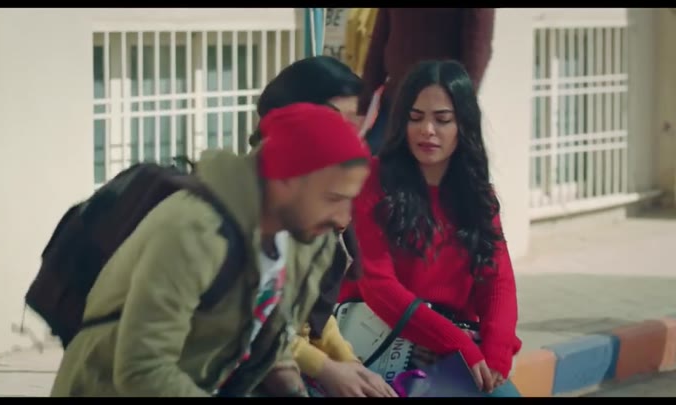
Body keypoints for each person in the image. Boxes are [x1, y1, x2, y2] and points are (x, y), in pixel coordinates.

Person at [50, 103, 372, 397]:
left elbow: (269, 332)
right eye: (332, 199)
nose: (342, 218)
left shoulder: (303, 238)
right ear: (287, 180)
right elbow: (143, 369)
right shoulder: (194, 231)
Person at [337, 60, 522, 397]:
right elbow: (378, 285)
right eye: (416, 117)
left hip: (452, 348)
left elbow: (498, 282)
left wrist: (495, 356)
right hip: (383, 343)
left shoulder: (479, 195)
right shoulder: (374, 180)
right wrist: (456, 344)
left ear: (463, 125)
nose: (427, 130)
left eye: (442, 119)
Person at [250, 56, 396, 398]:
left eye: (353, 125)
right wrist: (328, 370)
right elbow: (253, 324)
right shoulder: (255, 199)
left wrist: (351, 364)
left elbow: (313, 313)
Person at [358, 8, 496, 154]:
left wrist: (460, 105)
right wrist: (364, 104)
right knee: (370, 161)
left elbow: (477, 50)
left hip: (439, 107)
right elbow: (379, 40)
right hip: (394, 101)